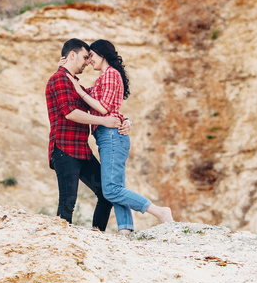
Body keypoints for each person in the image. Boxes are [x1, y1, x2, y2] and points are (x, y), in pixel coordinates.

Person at [60, 39, 174, 234]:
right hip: (109, 135)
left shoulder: (111, 74)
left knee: (111, 189)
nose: (88, 61)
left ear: (102, 55)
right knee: (116, 186)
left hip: (111, 135)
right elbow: (90, 99)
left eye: (92, 56)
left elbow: (103, 108)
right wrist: (66, 74)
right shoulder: (104, 78)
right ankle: (125, 230)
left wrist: (78, 89)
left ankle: (159, 212)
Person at [45, 38, 130, 230]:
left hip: (81, 151)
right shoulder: (58, 79)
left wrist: (125, 121)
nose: (87, 61)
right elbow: (70, 113)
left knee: (106, 194)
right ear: (72, 55)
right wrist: (103, 121)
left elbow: (101, 104)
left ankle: (96, 237)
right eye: (85, 57)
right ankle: (62, 247)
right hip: (64, 150)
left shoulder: (76, 85)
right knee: (67, 204)